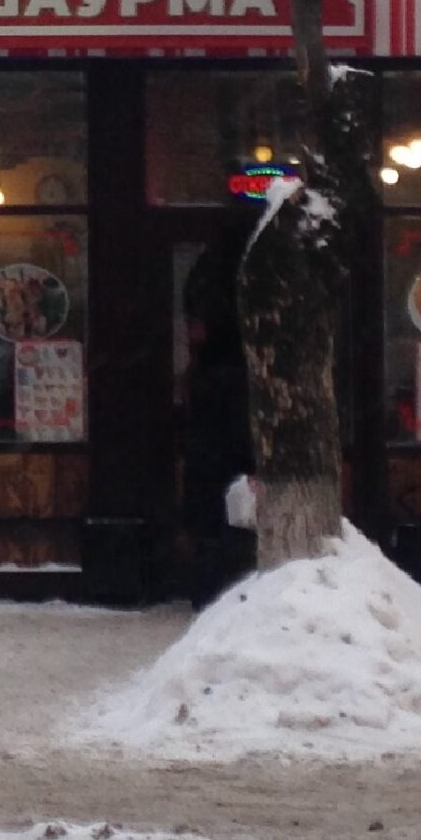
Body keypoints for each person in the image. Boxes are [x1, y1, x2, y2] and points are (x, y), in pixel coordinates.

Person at [179, 221, 256, 608]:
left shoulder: (214, 371)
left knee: (215, 517)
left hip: (215, 451)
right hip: (232, 447)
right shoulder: (243, 366)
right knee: (233, 518)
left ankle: (213, 589)